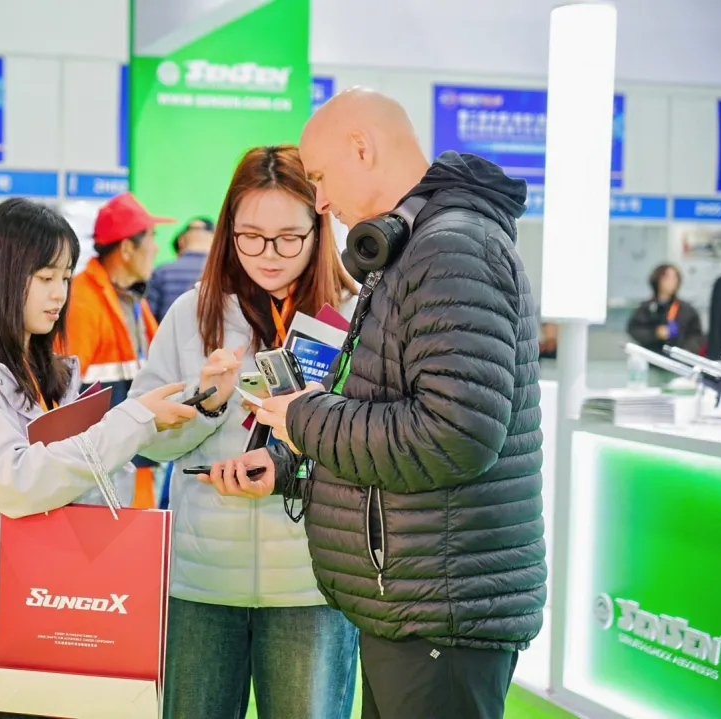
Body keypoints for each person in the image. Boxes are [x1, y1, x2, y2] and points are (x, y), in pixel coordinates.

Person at [200, 89, 546, 719]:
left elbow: (454, 434)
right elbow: (391, 413)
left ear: (362, 147)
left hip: (441, 608)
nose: (321, 200)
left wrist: (304, 417)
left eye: (321, 177)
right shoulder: (417, 248)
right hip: (416, 601)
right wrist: (291, 465)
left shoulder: (452, 249)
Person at [0, 198, 196, 719]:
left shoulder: (43, 371)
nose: (59, 293)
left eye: (65, 276)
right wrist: (132, 421)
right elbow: (19, 482)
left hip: (67, 618)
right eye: (45, 277)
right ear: (2, 276)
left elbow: (78, 476)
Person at [129, 145, 360, 719]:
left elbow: (372, 442)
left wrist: (297, 458)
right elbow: (147, 440)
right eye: (250, 237)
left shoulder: (356, 315)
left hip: (313, 584)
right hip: (202, 582)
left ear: (319, 228)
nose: (269, 255)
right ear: (228, 231)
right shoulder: (192, 313)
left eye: (288, 238)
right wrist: (207, 402)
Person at [63, 191, 174, 508]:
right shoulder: (82, 302)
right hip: (100, 470)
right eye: (151, 238)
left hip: (131, 457)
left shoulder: (129, 299)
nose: (156, 248)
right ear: (126, 249)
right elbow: (63, 396)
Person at [627, 263, 703, 361]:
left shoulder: (686, 309)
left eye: (675, 277)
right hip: (651, 359)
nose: (672, 281)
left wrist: (687, 351)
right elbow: (635, 330)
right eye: (667, 278)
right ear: (658, 280)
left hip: (679, 361)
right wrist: (655, 334)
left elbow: (696, 336)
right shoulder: (646, 308)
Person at [146, 217, 214, 322]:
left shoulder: (160, 272)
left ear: (181, 241)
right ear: (214, 240)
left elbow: (149, 318)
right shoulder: (226, 274)